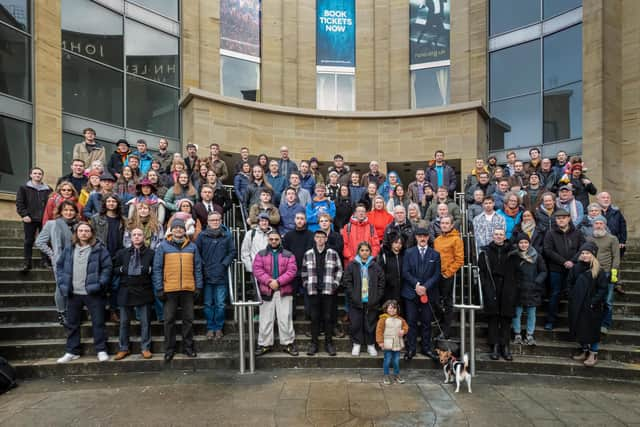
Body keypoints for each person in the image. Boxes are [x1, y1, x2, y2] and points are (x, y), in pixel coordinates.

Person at [56, 222, 112, 364]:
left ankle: (101, 349)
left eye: (87, 231)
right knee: (72, 323)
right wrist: (63, 283)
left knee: (98, 322)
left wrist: (100, 284)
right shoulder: (69, 248)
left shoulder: (99, 249)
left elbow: (107, 268)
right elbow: (60, 266)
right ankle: (71, 351)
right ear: (77, 233)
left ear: (91, 233)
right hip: (73, 293)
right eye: (81, 230)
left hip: (93, 293)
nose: (84, 233)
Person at [153, 218, 203, 361]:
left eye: (181, 228)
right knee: (169, 320)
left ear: (184, 230)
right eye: (176, 228)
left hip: (188, 289)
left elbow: (198, 268)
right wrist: (159, 288)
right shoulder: (163, 246)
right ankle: (169, 349)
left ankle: (188, 348)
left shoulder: (192, 247)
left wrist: (198, 286)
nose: (178, 230)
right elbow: (157, 268)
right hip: (170, 289)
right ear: (172, 230)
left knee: (188, 319)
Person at [253, 230, 299, 356]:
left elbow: (292, 271)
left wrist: (278, 282)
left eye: (276, 239)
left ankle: (288, 344)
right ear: (268, 240)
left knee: (285, 319)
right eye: (271, 239)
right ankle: (264, 344)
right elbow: (257, 270)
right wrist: (269, 281)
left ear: (280, 240)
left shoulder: (289, 254)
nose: (274, 241)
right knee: (266, 319)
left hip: (284, 290)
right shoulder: (260, 254)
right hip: (266, 290)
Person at [112, 227, 155, 360]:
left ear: (144, 237)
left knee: (145, 322)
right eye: (134, 235)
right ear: (131, 237)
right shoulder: (122, 253)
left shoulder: (151, 253)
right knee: (124, 322)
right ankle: (123, 348)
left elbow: (156, 270)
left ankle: (145, 348)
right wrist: (122, 269)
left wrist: (149, 270)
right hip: (126, 290)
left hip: (144, 290)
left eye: (139, 235)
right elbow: (113, 268)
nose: (137, 237)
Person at [36, 200, 79, 325]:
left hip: (77, 260)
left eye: (71, 210)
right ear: (60, 212)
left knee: (73, 286)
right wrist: (52, 254)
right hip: (60, 261)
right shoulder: (52, 224)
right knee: (61, 287)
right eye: (65, 210)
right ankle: (62, 313)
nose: (69, 212)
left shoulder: (79, 225)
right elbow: (39, 242)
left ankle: (71, 311)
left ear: (75, 212)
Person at [401, 227, 441, 360]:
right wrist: (417, 285)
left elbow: (436, 274)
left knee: (426, 322)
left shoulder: (435, 254)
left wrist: (425, 287)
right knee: (411, 322)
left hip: (428, 293)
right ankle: (411, 348)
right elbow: (405, 272)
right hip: (411, 293)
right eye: (419, 236)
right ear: (416, 238)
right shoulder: (408, 252)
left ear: (428, 237)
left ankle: (426, 348)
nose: (422, 238)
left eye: (425, 236)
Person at [302, 230, 343, 356]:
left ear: (326, 239)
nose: (320, 239)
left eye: (322, 237)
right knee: (314, 318)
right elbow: (303, 271)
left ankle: (329, 343)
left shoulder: (333, 253)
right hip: (313, 291)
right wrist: (306, 284)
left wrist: (335, 284)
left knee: (328, 317)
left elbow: (339, 270)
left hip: (328, 291)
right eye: (317, 237)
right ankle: (314, 344)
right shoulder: (308, 253)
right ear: (314, 238)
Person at [543, 209, 585, 331]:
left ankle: (574, 322)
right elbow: (548, 250)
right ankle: (551, 321)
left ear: (569, 218)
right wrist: (564, 262)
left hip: (574, 268)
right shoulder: (550, 233)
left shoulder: (577, 233)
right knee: (555, 293)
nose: (561, 220)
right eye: (558, 218)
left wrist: (572, 261)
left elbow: (582, 248)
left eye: (563, 217)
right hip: (556, 269)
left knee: (574, 294)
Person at [196, 211, 236, 340]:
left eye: (217, 220)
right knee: (208, 303)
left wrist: (224, 264)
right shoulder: (202, 236)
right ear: (208, 221)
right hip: (206, 275)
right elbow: (197, 253)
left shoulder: (227, 235)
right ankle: (210, 327)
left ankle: (218, 327)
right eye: (212, 220)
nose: (215, 222)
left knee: (220, 304)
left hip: (221, 275)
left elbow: (232, 252)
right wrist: (203, 266)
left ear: (221, 221)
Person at [478, 228, 516, 361]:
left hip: (508, 288)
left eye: (501, 234)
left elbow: (517, 272)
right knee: (493, 318)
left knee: (506, 319)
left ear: (505, 236)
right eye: (496, 234)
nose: (499, 237)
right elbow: (481, 271)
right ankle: (494, 346)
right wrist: (485, 286)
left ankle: (505, 347)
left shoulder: (513, 252)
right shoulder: (485, 252)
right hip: (492, 287)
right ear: (492, 236)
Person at [568, 242, 608, 367]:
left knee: (592, 330)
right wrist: (571, 297)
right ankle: (584, 351)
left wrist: (593, 302)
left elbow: (603, 289)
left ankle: (593, 353)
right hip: (577, 304)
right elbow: (569, 283)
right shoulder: (575, 268)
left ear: (593, 255)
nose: (585, 255)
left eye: (587, 253)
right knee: (580, 328)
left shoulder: (598, 270)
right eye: (583, 253)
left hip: (592, 306)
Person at [343, 241, 385, 357]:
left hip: (371, 301)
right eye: (362, 250)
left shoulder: (375, 266)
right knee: (356, 323)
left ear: (370, 252)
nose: (364, 252)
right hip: (356, 300)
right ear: (358, 252)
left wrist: (377, 296)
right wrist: (353, 295)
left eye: (367, 250)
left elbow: (381, 282)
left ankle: (370, 345)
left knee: (370, 323)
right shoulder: (352, 265)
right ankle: (356, 344)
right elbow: (347, 281)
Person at [91, 193, 126, 322]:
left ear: (117, 204)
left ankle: (113, 310)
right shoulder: (96, 218)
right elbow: (92, 237)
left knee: (115, 286)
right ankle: (99, 311)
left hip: (118, 256)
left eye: (114, 201)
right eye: (109, 201)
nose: (111, 203)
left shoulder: (123, 220)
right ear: (105, 203)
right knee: (102, 284)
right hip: (102, 255)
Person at [510, 233, 547, 346]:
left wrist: (537, 282)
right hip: (518, 289)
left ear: (529, 243)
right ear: (518, 244)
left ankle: (530, 334)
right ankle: (517, 333)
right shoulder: (514, 256)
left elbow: (543, 271)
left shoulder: (537, 256)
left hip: (533, 288)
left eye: (526, 242)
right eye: (521, 242)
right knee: (517, 313)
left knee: (532, 313)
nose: (523, 244)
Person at [585, 216, 620, 334]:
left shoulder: (612, 239)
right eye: (596, 223)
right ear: (593, 225)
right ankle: (593, 322)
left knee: (608, 301)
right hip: (592, 272)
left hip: (607, 272)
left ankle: (605, 324)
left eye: (601, 223)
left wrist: (613, 273)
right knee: (593, 299)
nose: (598, 225)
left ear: (605, 225)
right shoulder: (589, 239)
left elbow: (616, 257)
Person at [433, 215, 464, 339]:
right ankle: (440, 319)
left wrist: (448, 273)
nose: (444, 225)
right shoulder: (437, 240)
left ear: (451, 225)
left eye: (447, 223)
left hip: (447, 275)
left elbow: (459, 259)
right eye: (442, 223)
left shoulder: (457, 239)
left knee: (447, 302)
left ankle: (446, 331)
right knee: (434, 300)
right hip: (436, 275)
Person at [16, 167, 52, 271]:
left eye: (40, 174)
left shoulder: (48, 189)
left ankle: (45, 261)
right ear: (31, 175)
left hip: (44, 219)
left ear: (42, 176)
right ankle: (27, 262)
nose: (37, 175)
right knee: (29, 240)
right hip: (29, 219)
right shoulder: (23, 188)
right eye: (35, 173)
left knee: (44, 241)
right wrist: (24, 215)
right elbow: (20, 203)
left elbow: (51, 204)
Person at [282, 212, 314, 317]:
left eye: (302, 218)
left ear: (305, 221)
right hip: (292, 270)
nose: (300, 220)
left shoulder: (311, 235)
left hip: (307, 270)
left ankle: (309, 316)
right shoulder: (288, 236)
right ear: (294, 220)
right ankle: (292, 316)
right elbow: (284, 253)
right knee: (292, 295)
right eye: (298, 218)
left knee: (308, 295)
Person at [376, 299, 409, 385]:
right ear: (386, 308)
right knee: (387, 360)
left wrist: (403, 331)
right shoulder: (383, 319)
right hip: (387, 343)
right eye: (390, 308)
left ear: (397, 309)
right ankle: (386, 375)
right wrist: (380, 342)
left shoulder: (400, 319)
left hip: (397, 343)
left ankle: (396, 374)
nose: (392, 310)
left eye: (394, 308)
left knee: (396, 360)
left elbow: (406, 327)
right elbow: (379, 331)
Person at [377, 234, 404, 303]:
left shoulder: (403, 256)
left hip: (401, 290)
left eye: (400, 243)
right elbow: (380, 274)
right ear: (391, 243)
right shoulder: (384, 256)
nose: (398, 245)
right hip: (388, 290)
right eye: (396, 242)